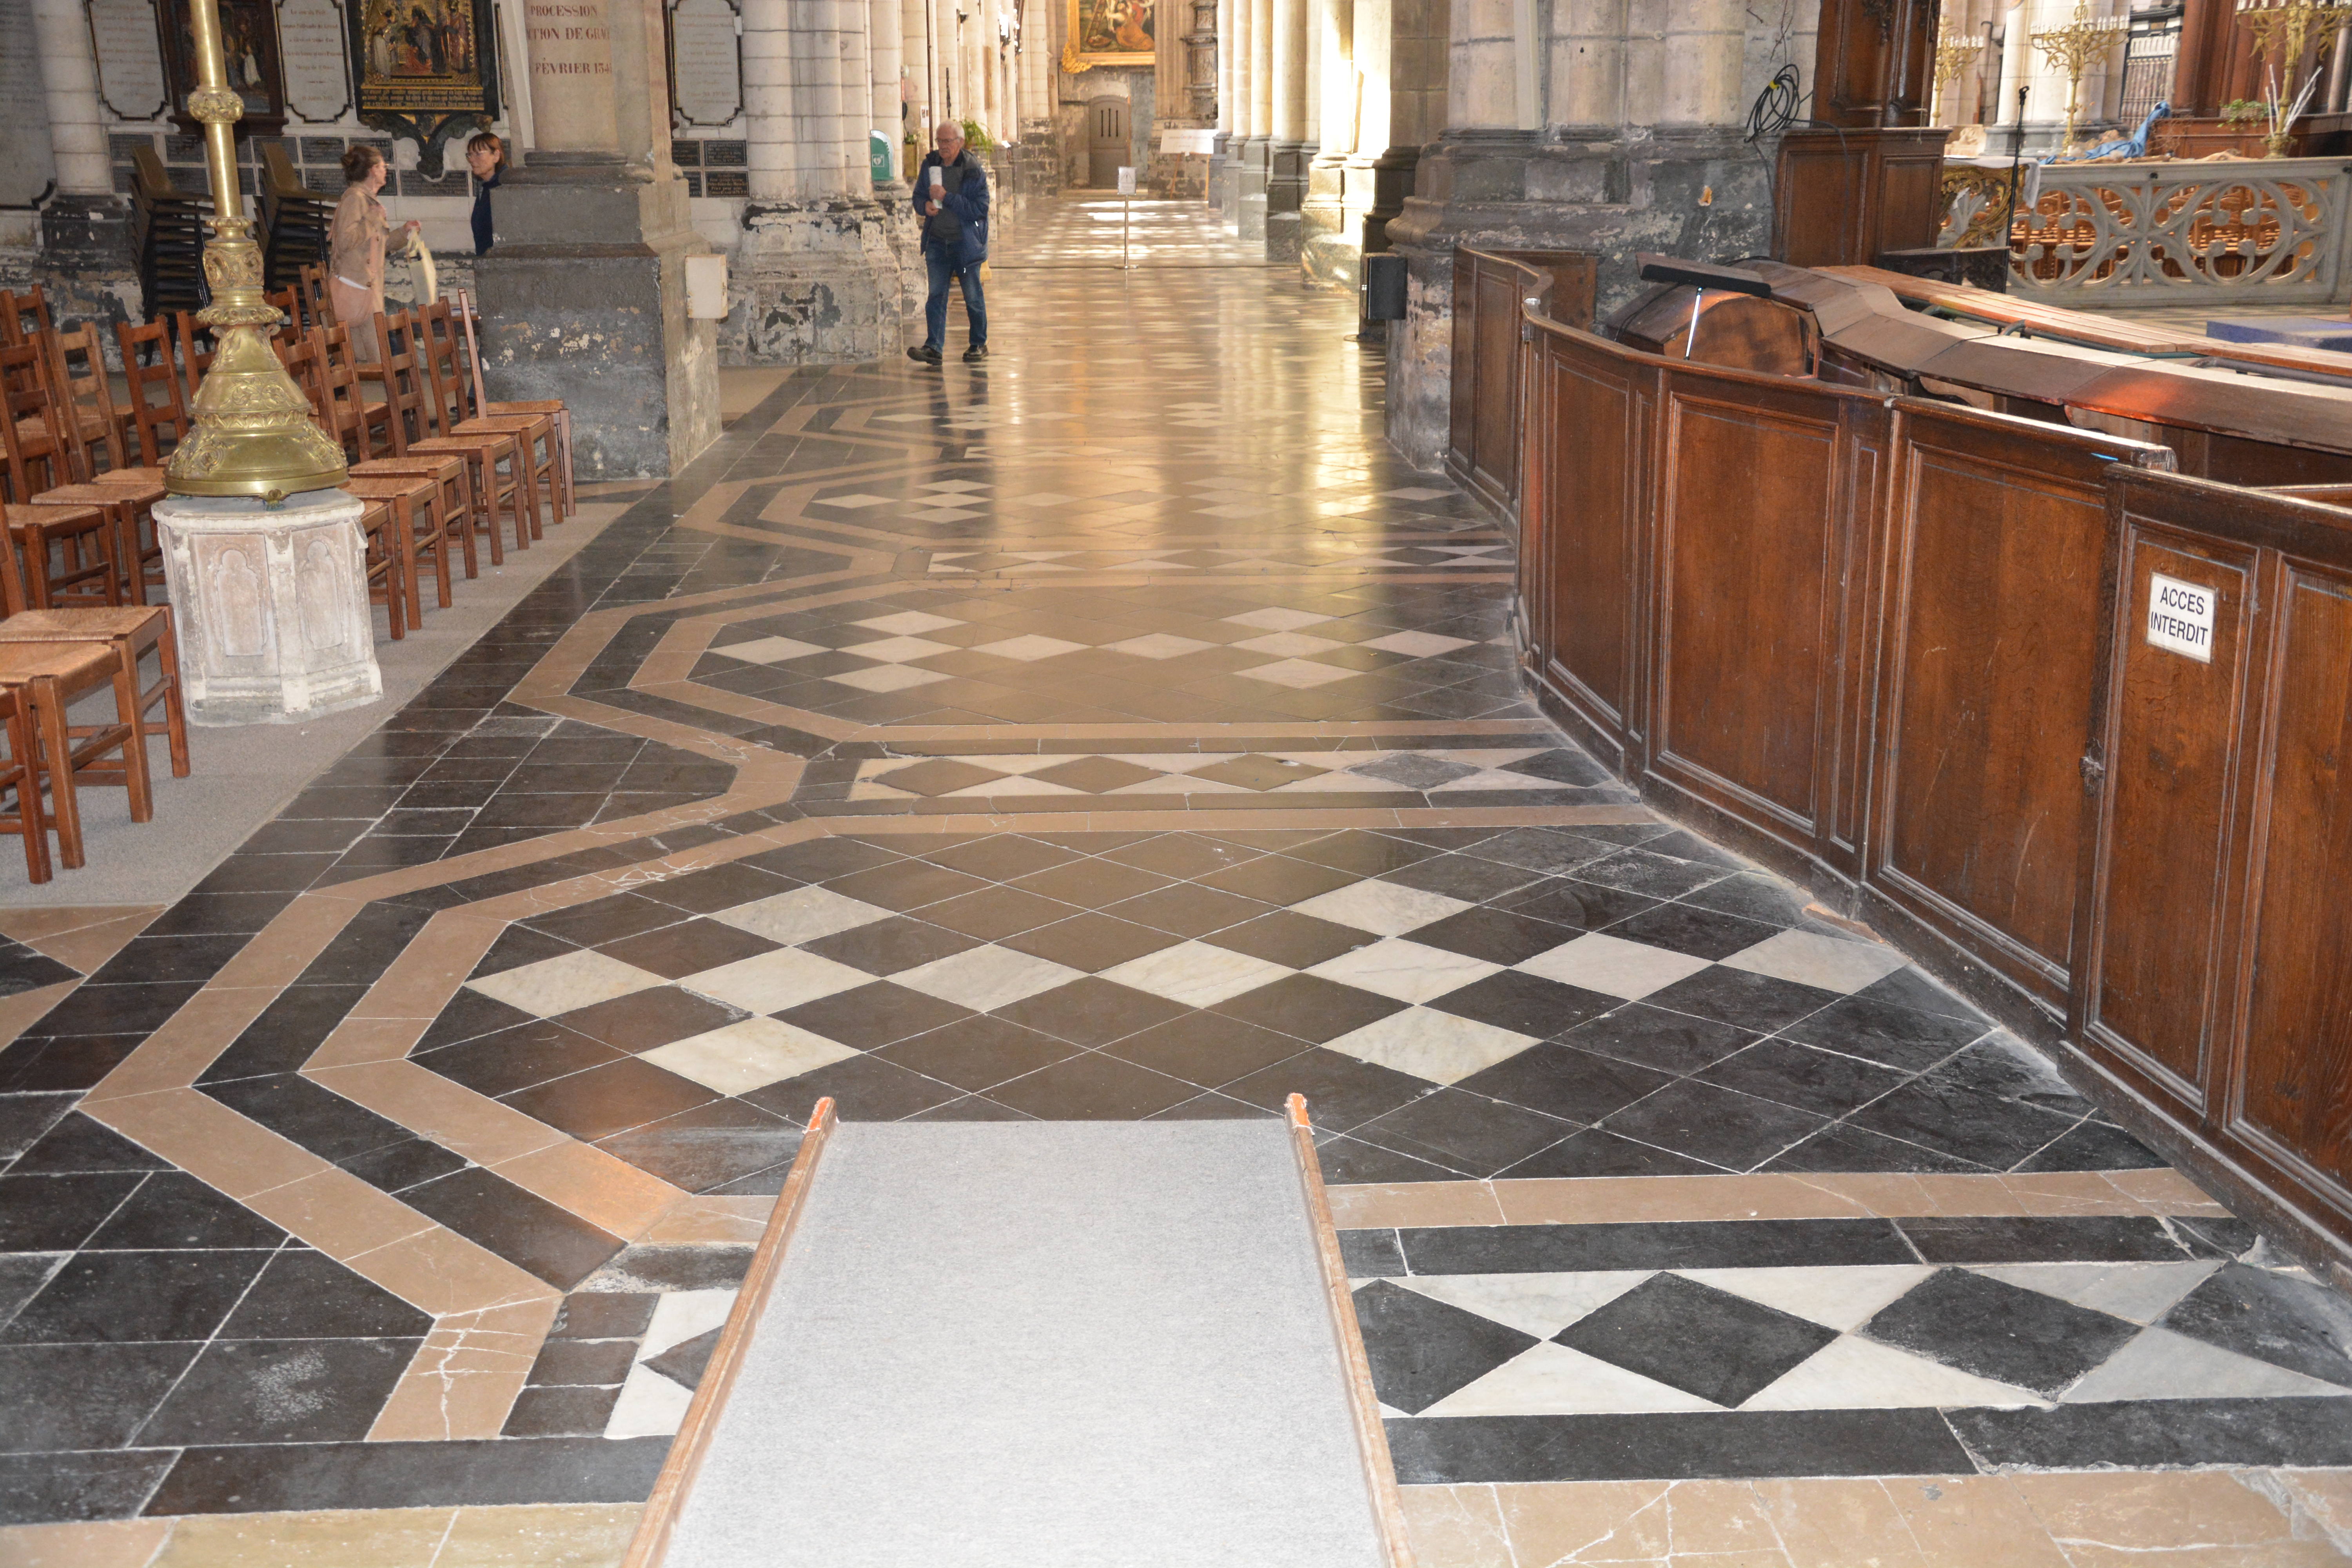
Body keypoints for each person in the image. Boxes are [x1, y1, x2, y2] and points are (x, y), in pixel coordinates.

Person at [908, 122, 989, 365]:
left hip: (964, 245)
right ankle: (934, 347)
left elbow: (980, 208)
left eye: (948, 142)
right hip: (937, 243)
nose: (942, 147)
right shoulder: (930, 165)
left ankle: (978, 344)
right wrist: (924, 206)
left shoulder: (972, 169)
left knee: (972, 296)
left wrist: (947, 198)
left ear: (960, 143)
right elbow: (918, 195)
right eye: (939, 141)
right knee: (936, 295)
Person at [329, 145, 417, 363]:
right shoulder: (355, 199)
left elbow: (380, 246)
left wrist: (404, 232)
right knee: (376, 361)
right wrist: (373, 218)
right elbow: (346, 242)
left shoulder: (367, 199)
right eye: (382, 166)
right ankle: (389, 397)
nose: (385, 170)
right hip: (358, 288)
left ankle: (383, 396)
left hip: (367, 288)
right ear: (371, 171)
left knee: (374, 360)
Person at [467, 131, 502, 256]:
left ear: (496, 156)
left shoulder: (503, 188)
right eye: (470, 155)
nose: (471, 160)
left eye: (478, 154)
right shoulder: (486, 187)